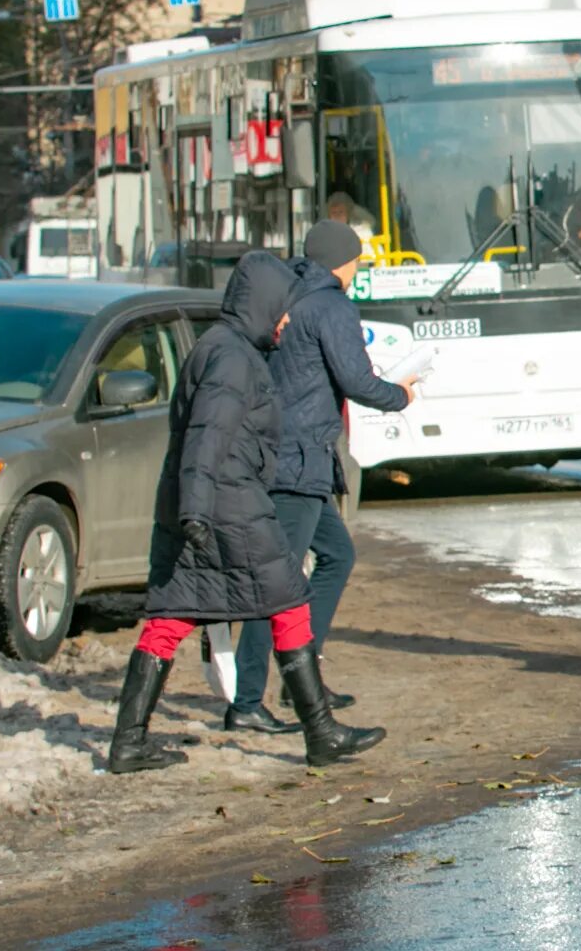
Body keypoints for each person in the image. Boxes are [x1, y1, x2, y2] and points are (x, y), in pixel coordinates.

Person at [107, 251, 385, 773]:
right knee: (289, 601)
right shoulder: (232, 359)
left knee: (171, 615)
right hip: (227, 505)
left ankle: (129, 741)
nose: (284, 322)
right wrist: (197, 511)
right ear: (260, 305)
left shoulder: (222, 348)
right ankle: (321, 733)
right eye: (280, 311)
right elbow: (207, 437)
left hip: (205, 503)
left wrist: (190, 508)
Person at [223, 222, 417, 735]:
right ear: (342, 261)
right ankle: (247, 701)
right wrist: (401, 393)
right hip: (299, 460)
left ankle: (301, 677)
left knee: (337, 555)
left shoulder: (287, 296)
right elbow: (355, 380)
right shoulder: (331, 305)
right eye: (356, 261)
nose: (357, 270)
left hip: (284, 456)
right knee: (279, 584)